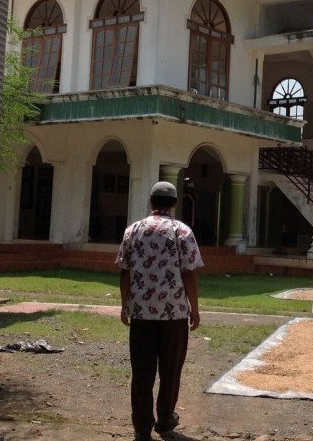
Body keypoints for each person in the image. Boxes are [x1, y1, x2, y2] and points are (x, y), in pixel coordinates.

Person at [116, 181, 204, 440]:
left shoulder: (133, 230)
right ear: (174, 203)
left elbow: (125, 271)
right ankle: (165, 420)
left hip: (141, 314)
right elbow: (189, 273)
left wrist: (124, 305)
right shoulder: (182, 231)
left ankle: (142, 426)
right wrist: (195, 309)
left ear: (151, 202)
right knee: (170, 370)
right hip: (173, 315)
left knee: (142, 371)